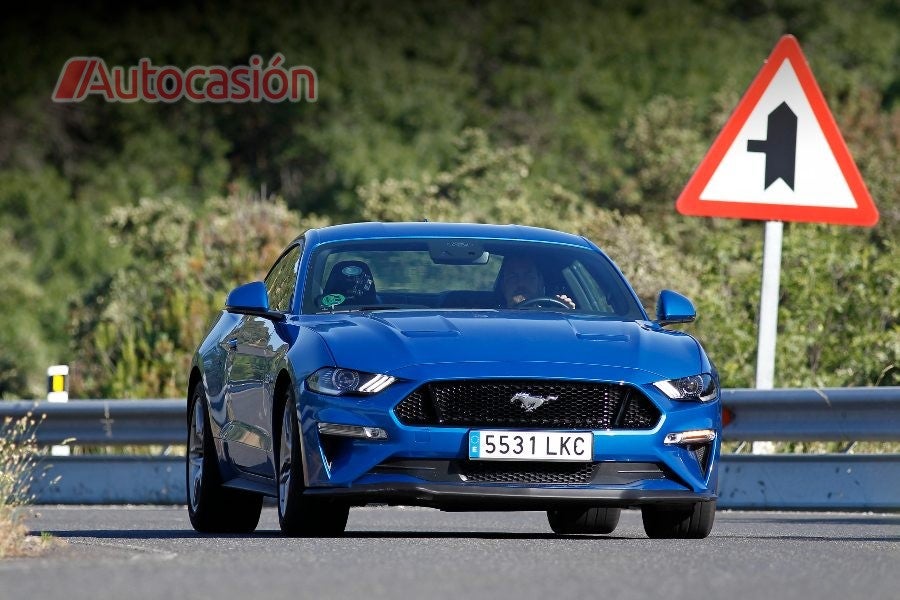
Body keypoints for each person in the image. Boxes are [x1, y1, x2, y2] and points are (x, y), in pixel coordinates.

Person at [499, 255, 575, 309]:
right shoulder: (492, 319)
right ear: (503, 286)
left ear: (540, 284)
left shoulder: (552, 319)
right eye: (513, 277)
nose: (521, 283)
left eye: (528, 277)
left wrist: (568, 314)